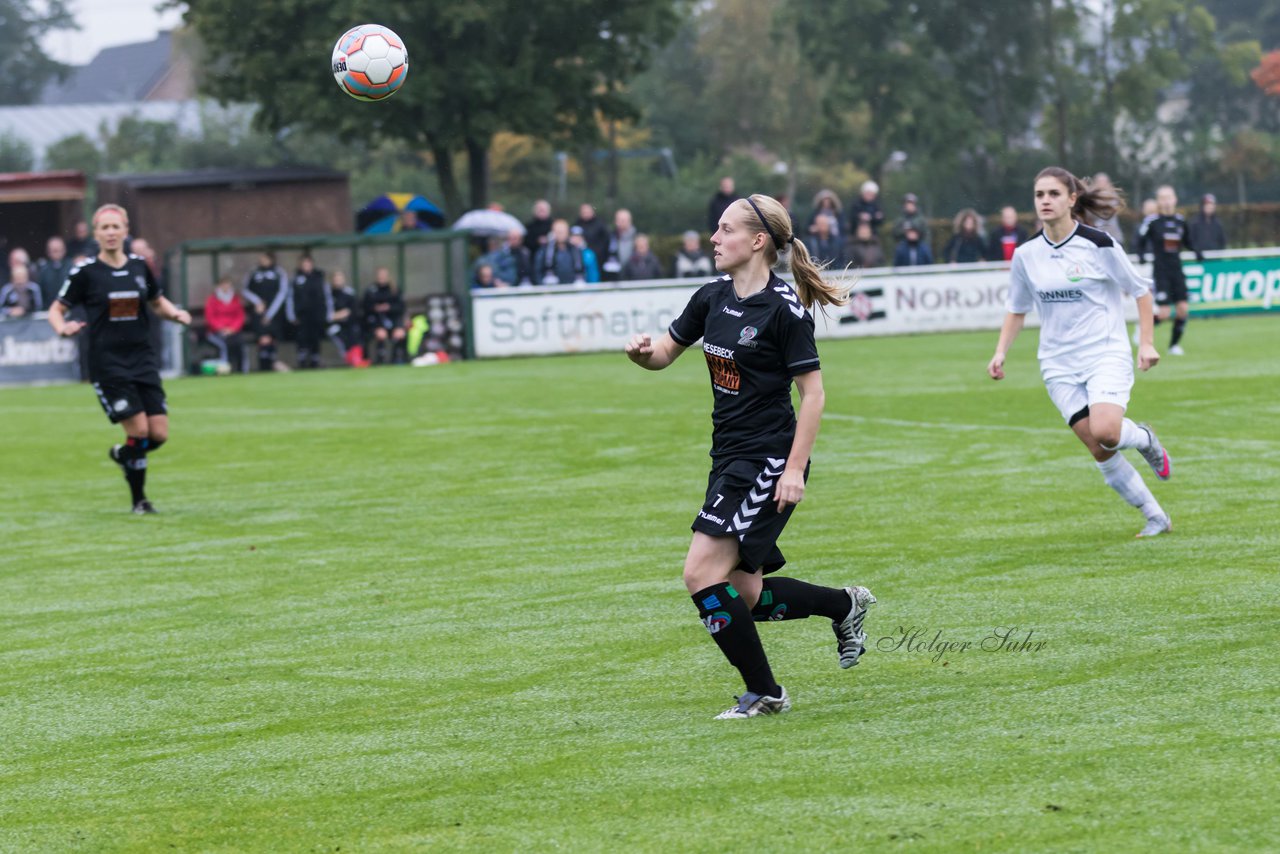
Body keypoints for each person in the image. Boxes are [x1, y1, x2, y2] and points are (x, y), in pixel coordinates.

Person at [623, 193, 876, 720]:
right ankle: (843, 605)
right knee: (744, 594)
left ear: (757, 241)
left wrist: (793, 469)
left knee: (700, 575)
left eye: (724, 230)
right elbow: (666, 355)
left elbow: (815, 395)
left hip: (766, 460)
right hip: (728, 457)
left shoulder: (784, 310)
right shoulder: (711, 297)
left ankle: (766, 692)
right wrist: (642, 355)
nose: (713, 239)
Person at [987, 167, 1172, 539]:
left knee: (1107, 430)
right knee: (1099, 448)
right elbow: (1017, 308)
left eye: (1053, 194)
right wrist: (1000, 351)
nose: (1045, 201)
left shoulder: (1098, 244)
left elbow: (1140, 291)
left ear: (1072, 199)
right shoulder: (1027, 255)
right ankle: (1155, 517)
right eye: (1039, 195)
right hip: (1057, 364)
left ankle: (1145, 439)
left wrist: (1147, 342)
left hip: (1104, 352)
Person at [47, 204, 192, 514]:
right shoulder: (85, 272)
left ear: (126, 231)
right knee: (138, 431)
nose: (111, 233)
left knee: (158, 434)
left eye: (116, 227)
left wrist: (176, 313)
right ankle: (139, 501)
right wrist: (62, 329)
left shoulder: (140, 266)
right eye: (105, 228)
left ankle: (123, 454)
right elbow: (56, 309)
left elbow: (156, 301)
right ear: (96, 234)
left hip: (142, 358)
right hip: (108, 363)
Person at [1136, 185, 1202, 356]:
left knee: (1182, 309)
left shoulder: (1180, 221)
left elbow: (1188, 240)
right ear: (1158, 201)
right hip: (1161, 271)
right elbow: (1139, 240)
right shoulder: (1152, 221)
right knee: (1164, 313)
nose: (1166, 201)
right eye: (1162, 197)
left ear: (1175, 199)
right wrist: (1141, 254)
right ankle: (1141, 329)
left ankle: (1173, 346)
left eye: (1169, 197)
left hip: (1177, 270)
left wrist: (1196, 251)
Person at [243, 251, 293, 372]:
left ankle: (273, 363)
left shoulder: (279, 272)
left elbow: (282, 293)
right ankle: (263, 366)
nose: (262, 260)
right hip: (258, 313)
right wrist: (257, 302)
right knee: (262, 339)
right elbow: (245, 290)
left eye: (264, 258)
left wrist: (270, 313)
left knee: (272, 339)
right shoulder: (253, 272)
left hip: (274, 314)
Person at [362, 266, 407, 364]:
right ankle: (380, 359)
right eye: (379, 275)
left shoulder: (394, 290)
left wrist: (389, 308)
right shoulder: (370, 290)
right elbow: (366, 309)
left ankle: (397, 358)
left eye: (384, 275)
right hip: (377, 323)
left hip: (394, 322)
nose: (381, 277)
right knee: (381, 334)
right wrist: (376, 309)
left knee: (400, 333)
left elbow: (400, 308)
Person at [202, 276, 248, 373]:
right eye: (224, 284)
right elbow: (210, 317)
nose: (226, 287)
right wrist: (221, 328)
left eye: (228, 285)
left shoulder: (235, 299)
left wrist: (232, 329)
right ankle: (224, 370)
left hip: (233, 331)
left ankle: (243, 371)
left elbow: (240, 316)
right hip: (216, 332)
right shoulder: (212, 299)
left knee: (241, 344)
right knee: (224, 345)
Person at [292, 255, 330, 369]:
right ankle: (302, 360)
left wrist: (326, 314)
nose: (306, 266)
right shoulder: (296, 279)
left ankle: (315, 359)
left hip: (316, 314)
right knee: (302, 337)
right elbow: (291, 297)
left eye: (308, 263)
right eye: (304, 264)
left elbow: (327, 297)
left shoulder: (319, 278)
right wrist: (292, 315)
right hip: (302, 315)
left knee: (315, 337)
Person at [326, 270, 367, 366]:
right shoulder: (327, 294)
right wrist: (337, 315)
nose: (337, 281)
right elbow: (326, 313)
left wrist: (341, 315)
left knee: (356, 332)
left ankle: (356, 358)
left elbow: (353, 311)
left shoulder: (349, 293)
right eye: (335, 279)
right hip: (332, 324)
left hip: (348, 323)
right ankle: (348, 358)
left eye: (339, 278)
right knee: (337, 333)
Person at [534, 219, 587, 285]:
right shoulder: (545, 251)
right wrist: (542, 286)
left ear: (567, 232)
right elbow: (537, 272)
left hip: (572, 289)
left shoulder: (576, 250)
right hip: (552, 290)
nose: (560, 234)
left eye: (563, 232)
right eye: (558, 232)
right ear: (553, 232)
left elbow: (583, 270)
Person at [1088, 173, 1126, 245]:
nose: (1102, 184)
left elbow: (1110, 210)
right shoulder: (1089, 199)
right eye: (1099, 182)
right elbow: (1088, 214)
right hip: (1096, 236)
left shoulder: (1113, 196)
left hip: (1113, 236)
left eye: (1104, 182)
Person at [35, 236, 73, 309]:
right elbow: (41, 294)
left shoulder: (71, 267)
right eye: (53, 251)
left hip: (69, 309)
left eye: (58, 250)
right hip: (49, 310)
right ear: (48, 252)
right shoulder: (43, 270)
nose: (56, 253)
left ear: (64, 250)